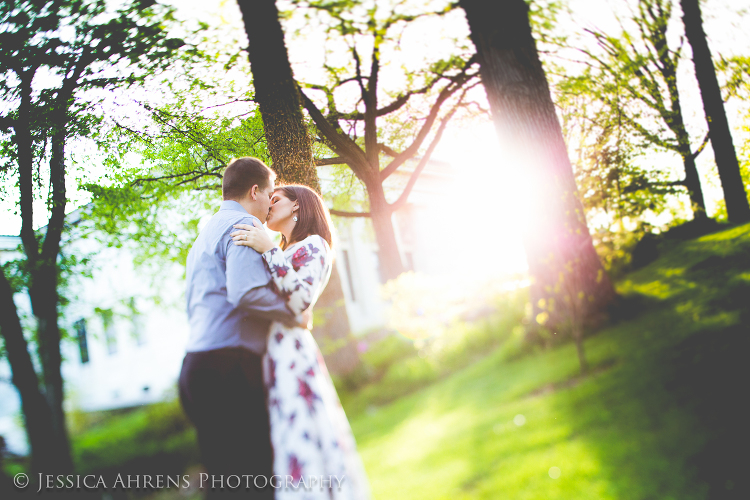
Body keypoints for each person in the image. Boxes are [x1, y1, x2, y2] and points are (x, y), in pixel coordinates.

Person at [230, 184, 371, 500]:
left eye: (276, 199)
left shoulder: (314, 245)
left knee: (303, 432)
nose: (269, 204)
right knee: (288, 435)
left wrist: (268, 250)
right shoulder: (281, 249)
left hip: (292, 354)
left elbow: (301, 300)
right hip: (272, 354)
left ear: (297, 206)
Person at [179, 157, 305, 499]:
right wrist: (294, 314)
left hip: (197, 366)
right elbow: (245, 292)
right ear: (254, 191)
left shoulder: (205, 236)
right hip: (228, 369)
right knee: (254, 477)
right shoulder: (246, 226)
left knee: (225, 482)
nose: (270, 203)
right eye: (270, 192)